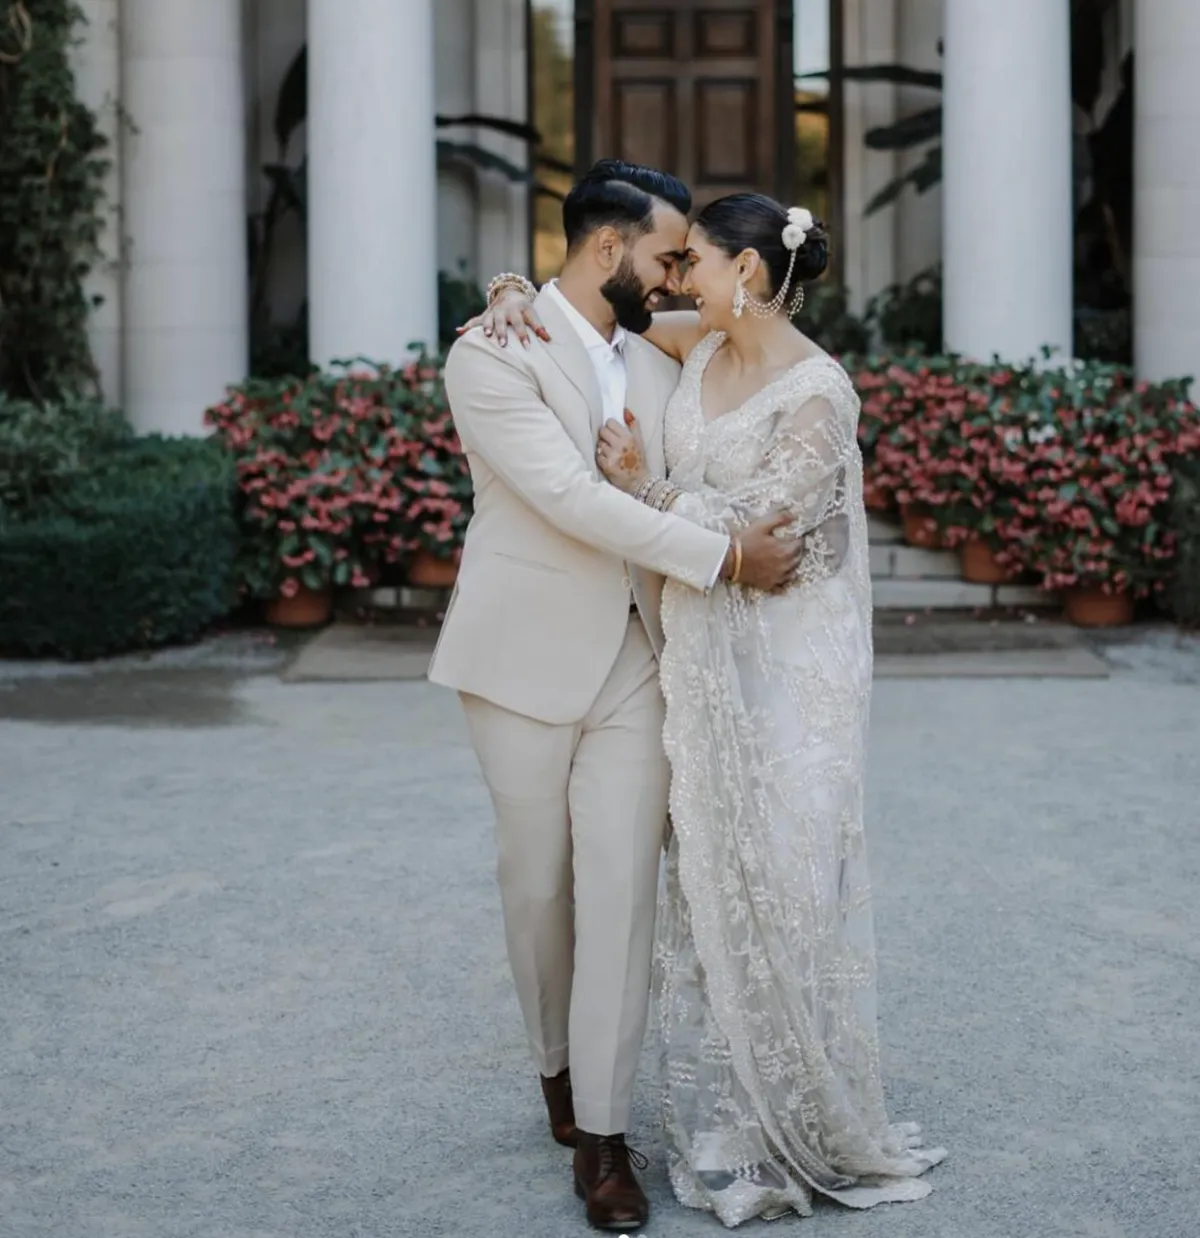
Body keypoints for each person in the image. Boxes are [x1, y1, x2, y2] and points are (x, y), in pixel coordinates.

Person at [476, 190, 947, 1226]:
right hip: (686, 653)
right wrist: (506, 289)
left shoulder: (799, 385)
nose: (674, 277)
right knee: (694, 880)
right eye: (669, 257)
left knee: (773, 872)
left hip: (785, 660)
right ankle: (695, 1104)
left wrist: (650, 492)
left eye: (692, 261)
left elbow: (771, 536)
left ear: (743, 270)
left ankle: (765, 1114)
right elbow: (582, 342)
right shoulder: (673, 344)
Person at [429, 160, 805, 1232]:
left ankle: (604, 1137)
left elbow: (767, 340)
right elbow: (569, 498)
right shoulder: (487, 355)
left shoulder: (654, 348)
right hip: (519, 665)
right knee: (540, 890)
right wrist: (726, 555)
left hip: (641, 664)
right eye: (667, 252)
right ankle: (553, 1065)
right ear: (609, 249)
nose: (681, 271)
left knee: (623, 897)